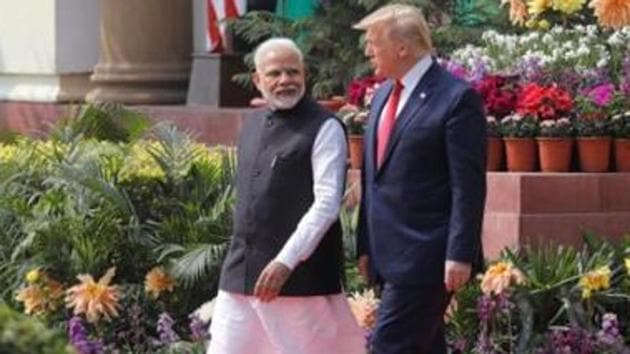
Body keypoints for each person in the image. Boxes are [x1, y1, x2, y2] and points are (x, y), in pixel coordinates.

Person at [207, 37, 365, 354]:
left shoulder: (325, 127)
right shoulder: (252, 124)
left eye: (292, 72)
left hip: (300, 280)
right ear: (257, 80)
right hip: (241, 275)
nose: (285, 81)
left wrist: (285, 261)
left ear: (305, 74)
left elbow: (325, 205)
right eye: (275, 74)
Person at [354, 4, 487, 354]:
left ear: (402, 47)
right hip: (388, 255)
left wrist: (460, 253)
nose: (368, 51)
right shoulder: (383, 94)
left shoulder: (456, 98)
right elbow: (374, 178)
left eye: (373, 42)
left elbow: (468, 186)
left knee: (390, 346)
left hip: (429, 257)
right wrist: (365, 244)